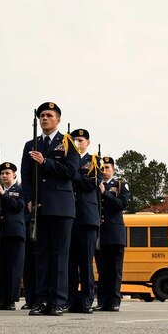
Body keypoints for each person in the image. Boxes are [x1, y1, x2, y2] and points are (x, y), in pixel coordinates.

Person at [21, 102, 79, 316]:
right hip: (39, 206)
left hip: (61, 207)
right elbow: (26, 175)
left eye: (49, 115)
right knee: (41, 255)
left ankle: (58, 301)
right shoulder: (31, 144)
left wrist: (45, 162)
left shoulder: (67, 142)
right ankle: (42, 299)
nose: (44, 118)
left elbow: (71, 171)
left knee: (59, 255)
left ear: (58, 119)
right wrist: (28, 198)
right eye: (41, 115)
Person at [67, 128, 101, 313]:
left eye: (80, 140)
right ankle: (70, 299)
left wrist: (72, 174)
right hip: (68, 216)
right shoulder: (68, 159)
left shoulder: (93, 161)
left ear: (87, 142)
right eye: (74, 140)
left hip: (86, 217)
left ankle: (87, 298)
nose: (78, 143)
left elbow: (92, 182)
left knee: (86, 262)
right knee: (70, 262)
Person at [96, 156, 130, 311]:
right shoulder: (95, 184)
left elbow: (120, 204)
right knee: (102, 269)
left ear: (114, 169)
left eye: (107, 167)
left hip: (115, 233)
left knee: (115, 269)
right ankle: (102, 301)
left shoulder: (121, 185)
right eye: (102, 168)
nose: (105, 170)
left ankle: (114, 301)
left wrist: (105, 193)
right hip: (100, 233)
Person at [0, 161, 25, 310]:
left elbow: (18, 207)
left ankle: (11, 300)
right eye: (2, 173)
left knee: (13, 267)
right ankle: (1, 299)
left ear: (14, 175)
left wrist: (4, 195)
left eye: (7, 173)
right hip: (0, 232)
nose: (4, 176)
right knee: (0, 267)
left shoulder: (20, 190)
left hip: (14, 233)